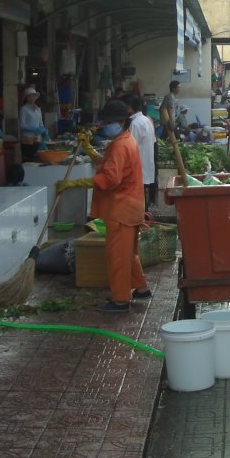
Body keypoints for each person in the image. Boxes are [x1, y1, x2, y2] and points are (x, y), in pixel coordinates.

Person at [89, 99, 150, 313]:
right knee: (128, 253)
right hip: (131, 206)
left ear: (120, 122)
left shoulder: (119, 145)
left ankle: (121, 299)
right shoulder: (126, 140)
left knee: (117, 256)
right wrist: (91, 152)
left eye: (108, 122)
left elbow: (111, 179)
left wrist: (88, 182)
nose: (105, 125)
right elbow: (112, 166)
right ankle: (140, 288)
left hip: (121, 208)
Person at [123, 94, 156, 210]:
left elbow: (130, 146)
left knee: (137, 201)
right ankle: (144, 219)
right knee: (141, 198)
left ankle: (141, 221)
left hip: (139, 165)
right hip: (146, 163)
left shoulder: (135, 123)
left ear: (130, 108)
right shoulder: (146, 120)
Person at [18, 87, 49, 161]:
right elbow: (21, 125)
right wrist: (33, 129)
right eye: (29, 96)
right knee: (28, 160)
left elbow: (40, 123)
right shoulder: (23, 109)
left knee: (37, 160)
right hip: (27, 140)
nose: (32, 98)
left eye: (33, 96)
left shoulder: (38, 109)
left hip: (37, 139)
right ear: (26, 98)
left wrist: (44, 131)